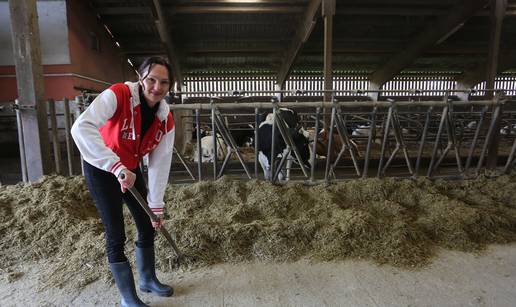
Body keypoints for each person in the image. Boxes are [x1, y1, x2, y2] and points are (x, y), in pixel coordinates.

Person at [71, 56, 175, 307]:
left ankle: (148, 279)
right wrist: (114, 165)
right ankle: (128, 297)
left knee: (147, 221)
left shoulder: (164, 118)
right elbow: (81, 128)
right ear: (140, 77)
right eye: (151, 79)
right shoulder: (118, 94)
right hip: (101, 166)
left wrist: (156, 203)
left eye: (164, 82)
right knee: (116, 232)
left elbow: (160, 162)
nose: (156, 87)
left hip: (130, 168)